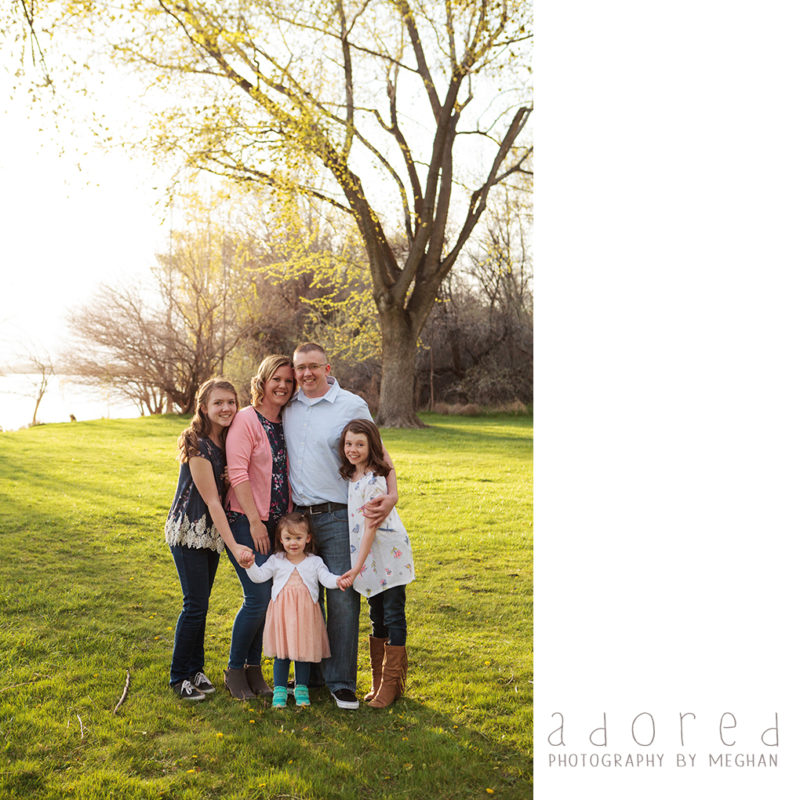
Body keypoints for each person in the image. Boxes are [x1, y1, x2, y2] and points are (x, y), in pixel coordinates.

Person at [283, 342, 398, 709]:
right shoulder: (290, 405)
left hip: (338, 514)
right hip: (299, 518)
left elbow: (378, 452)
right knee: (307, 597)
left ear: (328, 368)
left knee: (342, 597)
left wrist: (393, 494)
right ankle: (311, 673)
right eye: (300, 367)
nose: (306, 374)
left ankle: (341, 681)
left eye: (314, 366)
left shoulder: (350, 405)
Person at [165, 378, 253, 701]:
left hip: (209, 533)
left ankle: (196, 669)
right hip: (189, 530)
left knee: (201, 605)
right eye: (219, 403)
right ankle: (179, 677)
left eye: (231, 402)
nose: (226, 408)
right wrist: (235, 544)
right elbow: (212, 501)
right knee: (194, 605)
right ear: (204, 407)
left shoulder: (227, 439)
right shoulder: (196, 442)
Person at [223, 354, 295, 700]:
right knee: (257, 597)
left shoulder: (287, 421)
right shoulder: (245, 420)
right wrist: (255, 522)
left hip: (280, 525)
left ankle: (254, 671)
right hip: (245, 521)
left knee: (267, 600)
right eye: (276, 379)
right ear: (262, 382)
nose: (282, 386)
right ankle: (235, 669)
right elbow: (237, 474)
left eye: (288, 381)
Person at [337, 419, 414, 708]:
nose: (353, 450)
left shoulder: (374, 481)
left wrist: (355, 568)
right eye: (348, 444)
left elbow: (370, 527)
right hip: (369, 557)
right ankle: (378, 681)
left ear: (373, 447)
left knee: (393, 615)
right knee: (376, 615)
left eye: (360, 444)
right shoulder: (351, 477)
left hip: (388, 556)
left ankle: (391, 684)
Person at [245, 512, 345, 708]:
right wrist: (249, 566)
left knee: (303, 653)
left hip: (306, 615)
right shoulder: (277, 560)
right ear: (281, 540)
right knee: (282, 653)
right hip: (283, 614)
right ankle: (280, 690)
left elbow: (326, 578)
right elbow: (259, 576)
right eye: (288, 538)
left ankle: (301, 689)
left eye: (298, 538)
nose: (293, 543)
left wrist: (338, 581)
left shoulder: (314, 561)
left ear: (307, 538)